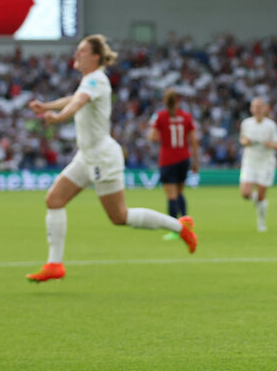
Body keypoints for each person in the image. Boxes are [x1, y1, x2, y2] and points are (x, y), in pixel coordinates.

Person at [25, 35, 197, 282]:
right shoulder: (89, 80)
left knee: (120, 216)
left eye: (82, 51)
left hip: (103, 158)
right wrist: (47, 106)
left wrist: (59, 117)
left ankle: (181, 227)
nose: (77, 54)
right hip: (87, 156)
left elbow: (77, 103)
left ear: (95, 57)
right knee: (54, 200)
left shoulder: (96, 80)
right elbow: (75, 98)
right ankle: (54, 265)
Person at [148, 88, 199, 240]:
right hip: (184, 158)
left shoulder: (160, 116)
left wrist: (164, 135)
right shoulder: (186, 117)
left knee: (171, 196)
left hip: (168, 159)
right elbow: (193, 141)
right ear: (179, 101)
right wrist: (196, 160)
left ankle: (175, 230)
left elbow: (152, 137)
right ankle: (187, 225)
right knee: (180, 193)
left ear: (164, 100)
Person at [239, 97, 277, 232]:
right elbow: (242, 139)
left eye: (259, 106)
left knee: (262, 195)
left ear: (264, 109)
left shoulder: (270, 125)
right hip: (249, 162)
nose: (257, 109)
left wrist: (270, 144)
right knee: (245, 193)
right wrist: (245, 142)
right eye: (254, 106)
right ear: (251, 109)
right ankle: (258, 201)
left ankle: (261, 221)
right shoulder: (246, 123)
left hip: (265, 163)